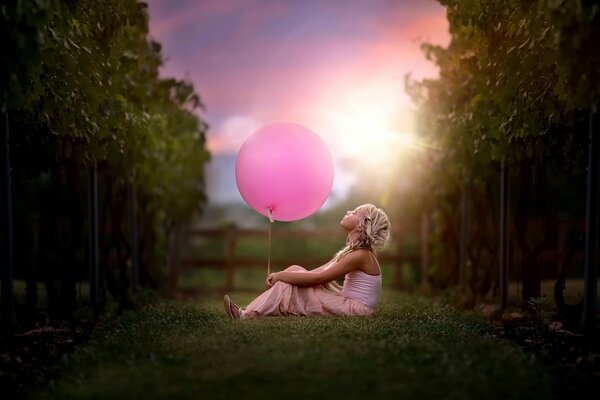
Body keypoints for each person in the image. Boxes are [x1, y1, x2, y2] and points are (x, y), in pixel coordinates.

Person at [223, 203, 391, 319]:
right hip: (349, 303)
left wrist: (282, 277)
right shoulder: (353, 252)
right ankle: (259, 309)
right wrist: (287, 274)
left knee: (287, 284)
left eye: (354, 213)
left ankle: (246, 315)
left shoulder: (360, 255)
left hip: (357, 310)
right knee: (295, 271)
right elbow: (317, 272)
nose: (348, 211)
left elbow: (319, 279)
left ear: (362, 225)